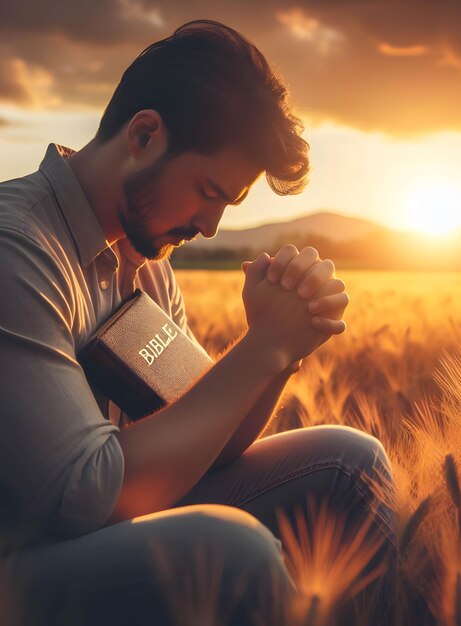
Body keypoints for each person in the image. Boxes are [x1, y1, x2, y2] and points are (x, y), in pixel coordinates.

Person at [0, 19, 397, 626]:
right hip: (18, 563)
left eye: (227, 204)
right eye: (208, 191)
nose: (210, 226)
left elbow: (205, 448)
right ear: (144, 135)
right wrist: (262, 347)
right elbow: (86, 495)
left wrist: (281, 349)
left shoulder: (146, 262)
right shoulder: (18, 248)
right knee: (232, 553)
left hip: (92, 537)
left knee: (351, 464)